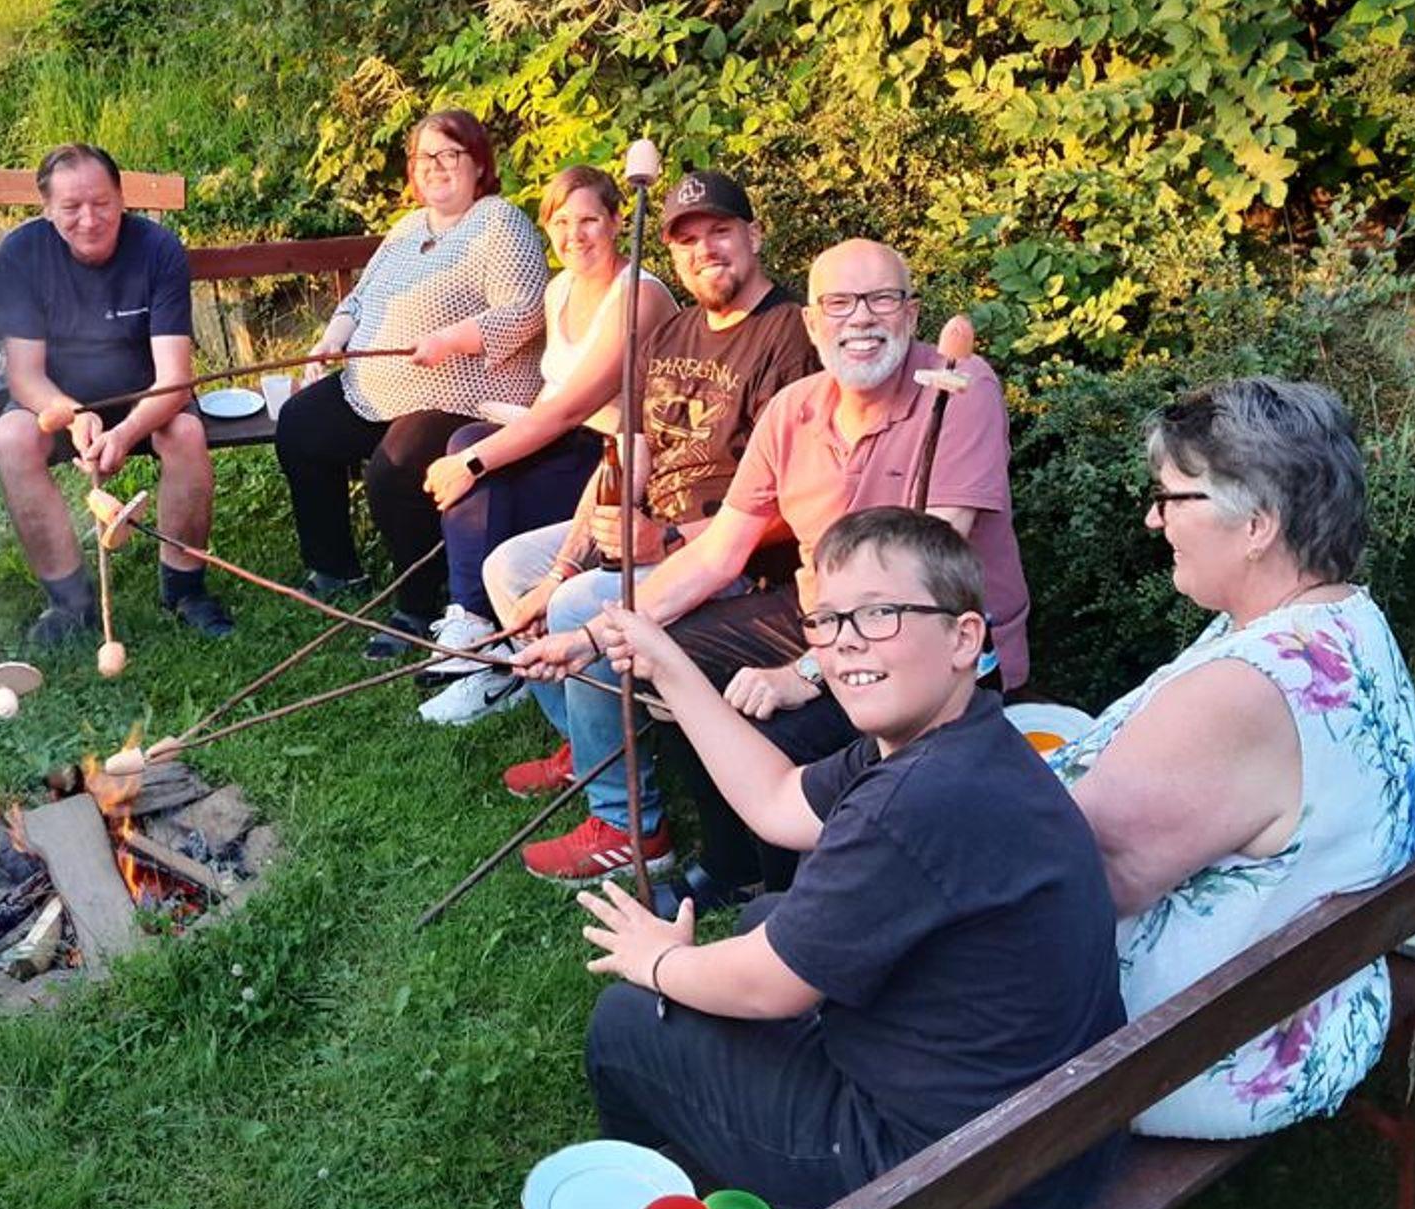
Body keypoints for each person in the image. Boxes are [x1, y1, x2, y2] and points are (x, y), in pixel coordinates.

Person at [577, 508, 1124, 1209]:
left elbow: (767, 987)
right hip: (1051, 1138)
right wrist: (672, 670)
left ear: (964, 638)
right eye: (828, 620)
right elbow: (777, 801)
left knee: (627, 1024)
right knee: (766, 915)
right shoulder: (960, 740)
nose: (845, 642)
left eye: (880, 614)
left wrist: (658, 962)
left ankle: (653, 1193)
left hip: (948, 1181)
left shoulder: (911, 804)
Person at [511, 238, 1028, 898]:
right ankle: (733, 862)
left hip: (933, 649)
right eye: (839, 303)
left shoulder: (958, 388)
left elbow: (920, 573)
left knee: (772, 726)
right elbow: (715, 554)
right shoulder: (793, 410)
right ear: (811, 323)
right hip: (820, 614)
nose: (861, 318)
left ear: (911, 313)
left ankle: (795, 902)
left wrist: (803, 673)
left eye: (881, 300)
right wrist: (594, 637)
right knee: (664, 657)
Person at [1051, 377, 1415, 1138]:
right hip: (1320, 1002)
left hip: (1196, 1051)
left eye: (1171, 498)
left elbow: (1073, 881)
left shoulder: (1247, 688)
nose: (1155, 520)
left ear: (1257, 523)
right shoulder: (1345, 619)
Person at [460, 169, 817, 871]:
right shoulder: (673, 332)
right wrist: (567, 560)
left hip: (733, 561)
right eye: (687, 240)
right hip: (647, 535)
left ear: (754, 236)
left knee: (578, 607)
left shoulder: (789, 336)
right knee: (512, 570)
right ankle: (589, 745)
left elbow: (794, 501)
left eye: (720, 232)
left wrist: (669, 540)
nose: (705, 250)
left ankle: (629, 826)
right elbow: (627, 457)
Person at [274, 108, 550, 655]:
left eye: (451, 154)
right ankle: (335, 568)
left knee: (395, 467)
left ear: (479, 164)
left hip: (466, 396)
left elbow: (525, 309)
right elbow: (359, 300)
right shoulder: (407, 229)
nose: (436, 166)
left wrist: (453, 339)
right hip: (380, 389)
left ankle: (418, 605)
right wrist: (331, 340)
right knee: (301, 424)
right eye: (426, 156)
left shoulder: (499, 222)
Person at [414, 165, 676, 718]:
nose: (574, 235)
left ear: (617, 222)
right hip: (569, 445)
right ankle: (481, 632)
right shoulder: (559, 291)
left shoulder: (637, 296)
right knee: (467, 437)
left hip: (617, 463)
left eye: (589, 221)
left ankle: (486, 645)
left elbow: (575, 406)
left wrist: (475, 462)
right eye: (560, 222)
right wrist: (479, 447)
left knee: (477, 466)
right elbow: (549, 393)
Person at [0, 142, 231, 643]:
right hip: (56, 398)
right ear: (47, 209)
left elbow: (174, 377)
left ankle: (185, 590)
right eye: (71, 207)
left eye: (101, 203)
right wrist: (73, 414)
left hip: (145, 397)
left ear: (121, 198)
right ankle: (68, 602)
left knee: (185, 434)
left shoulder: (158, 249)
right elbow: (25, 375)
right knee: (13, 436)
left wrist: (125, 432)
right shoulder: (22, 253)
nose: (89, 219)